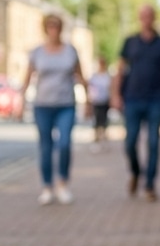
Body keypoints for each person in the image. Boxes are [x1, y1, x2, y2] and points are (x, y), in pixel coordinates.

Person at [115, 5, 160, 201]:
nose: (146, 19)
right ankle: (136, 172)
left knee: (153, 142)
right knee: (130, 142)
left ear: (154, 18)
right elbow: (119, 69)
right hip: (132, 98)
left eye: (149, 16)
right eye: (143, 16)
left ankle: (150, 184)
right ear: (139, 18)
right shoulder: (130, 42)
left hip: (156, 99)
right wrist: (115, 95)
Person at [20, 14, 86, 206]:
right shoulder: (37, 52)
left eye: (56, 25)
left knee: (64, 144)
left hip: (66, 104)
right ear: (45, 28)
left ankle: (63, 183)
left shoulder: (70, 51)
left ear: (61, 28)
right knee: (46, 147)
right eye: (50, 26)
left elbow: (81, 76)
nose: (53, 29)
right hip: (43, 105)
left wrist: (88, 100)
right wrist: (21, 101)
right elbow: (27, 77)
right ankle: (47, 187)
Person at [87, 57, 113, 151]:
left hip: (105, 101)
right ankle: (97, 140)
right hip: (96, 101)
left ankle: (103, 139)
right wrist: (88, 102)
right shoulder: (94, 76)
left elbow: (110, 88)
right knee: (97, 120)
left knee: (104, 120)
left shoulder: (107, 76)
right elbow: (90, 89)